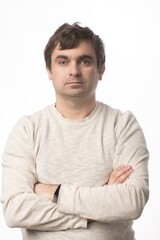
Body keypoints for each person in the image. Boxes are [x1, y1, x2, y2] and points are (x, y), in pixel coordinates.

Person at [1, 22, 149, 240]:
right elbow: (15, 210)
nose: (74, 71)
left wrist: (55, 192)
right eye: (63, 61)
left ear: (101, 70)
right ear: (49, 71)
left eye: (85, 61)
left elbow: (132, 201)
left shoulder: (123, 125)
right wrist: (97, 206)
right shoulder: (28, 130)